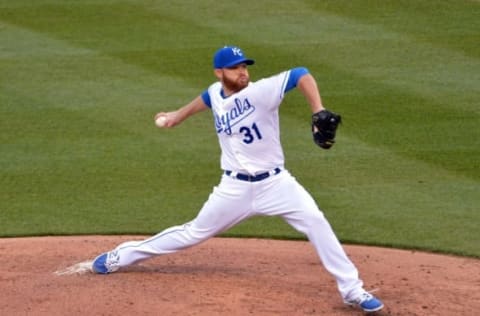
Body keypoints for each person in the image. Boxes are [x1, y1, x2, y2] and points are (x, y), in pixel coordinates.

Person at [91, 45, 384, 313]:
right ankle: (123, 255)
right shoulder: (217, 92)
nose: (243, 72)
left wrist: (318, 110)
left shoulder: (261, 91)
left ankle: (352, 290)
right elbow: (208, 98)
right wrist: (177, 116)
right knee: (192, 233)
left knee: (316, 221)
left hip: (276, 184)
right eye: (235, 68)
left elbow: (300, 74)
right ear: (220, 73)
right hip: (234, 188)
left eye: (245, 66)